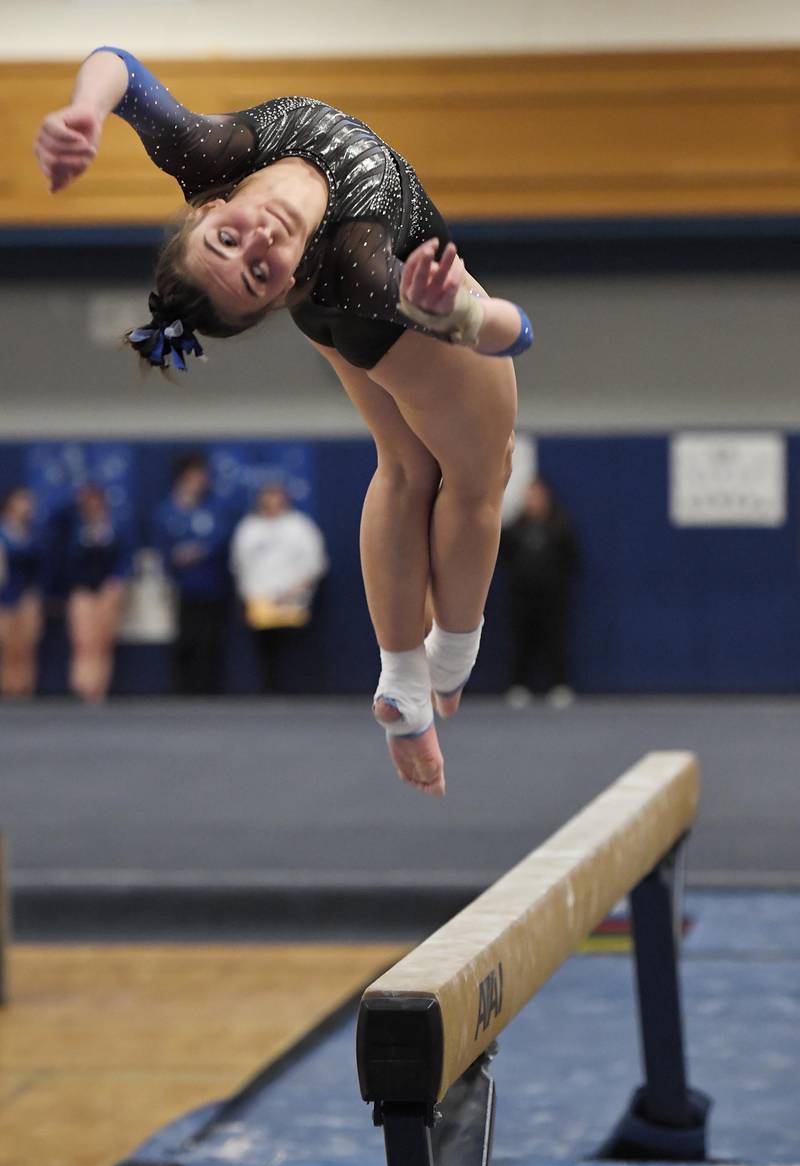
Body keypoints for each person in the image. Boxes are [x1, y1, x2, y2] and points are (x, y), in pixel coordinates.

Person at [34, 47, 534, 795]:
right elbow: (517, 330)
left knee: (404, 466)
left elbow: (118, 66)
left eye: (228, 241)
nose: (259, 241)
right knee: (475, 472)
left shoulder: (213, 154)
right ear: (280, 293)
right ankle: (451, 658)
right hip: (385, 312)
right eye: (258, 273)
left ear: (206, 207)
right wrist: (454, 314)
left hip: (353, 321)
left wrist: (84, 111)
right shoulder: (362, 265)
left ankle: (404, 689)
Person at [230, 480, 328, 692]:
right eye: (268, 495)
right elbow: (239, 565)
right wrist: (249, 597)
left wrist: (296, 590)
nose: (272, 500)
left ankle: (298, 692)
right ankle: (268, 690)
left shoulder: (300, 526)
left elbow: (316, 562)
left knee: (293, 651)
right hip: (260, 602)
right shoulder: (249, 528)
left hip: (294, 600)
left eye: (276, 495)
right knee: (266, 649)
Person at [152, 452, 234, 695]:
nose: (203, 479)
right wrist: (176, 557)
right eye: (198, 474)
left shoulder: (214, 507)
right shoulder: (167, 510)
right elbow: (161, 546)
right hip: (182, 587)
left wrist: (200, 550)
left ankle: (210, 689)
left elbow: (221, 537)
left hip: (213, 585)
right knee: (185, 639)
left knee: (211, 639)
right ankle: (183, 690)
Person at [500, 477, 580, 709]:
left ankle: (559, 684)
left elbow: (571, 559)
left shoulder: (560, 526)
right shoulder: (515, 528)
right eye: (530, 496)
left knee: (554, 640)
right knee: (522, 640)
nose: (533, 501)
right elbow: (505, 557)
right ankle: (519, 685)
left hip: (552, 597)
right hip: (522, 596)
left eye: (538, 496)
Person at [65, 483, 133, 702]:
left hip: (107, 590)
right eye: (88, 502)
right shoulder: (73, 528)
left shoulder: (114, 528)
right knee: (84, 640)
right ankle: (83, 685)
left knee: (103, 640)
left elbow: (125, 558)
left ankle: (99, 688)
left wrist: (117, 580)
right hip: (83, 589)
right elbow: (65, 557)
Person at [0, 487, 43, 699]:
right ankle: (8, 687)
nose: (27, 506)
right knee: (7, 644)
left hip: (27, 595)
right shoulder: (2, 533)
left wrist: (34, 592)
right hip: (4, 595)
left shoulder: (33, 534)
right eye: (23, 501)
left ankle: (25, 686)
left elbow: (41, 567)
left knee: (26, 643)